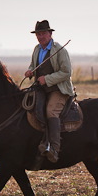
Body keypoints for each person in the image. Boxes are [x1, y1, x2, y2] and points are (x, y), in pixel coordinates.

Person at [24, 20, 75, 163]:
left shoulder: (60, 50)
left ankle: (54, 148)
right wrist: (30, 71)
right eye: (38, 34)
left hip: (58, 89)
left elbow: (66, 72)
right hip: (40, 88)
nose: (40, 36)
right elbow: (34, 65)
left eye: (43, 33)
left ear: (50, 33)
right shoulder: (37, 49)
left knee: (51, 112)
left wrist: (47, 79)